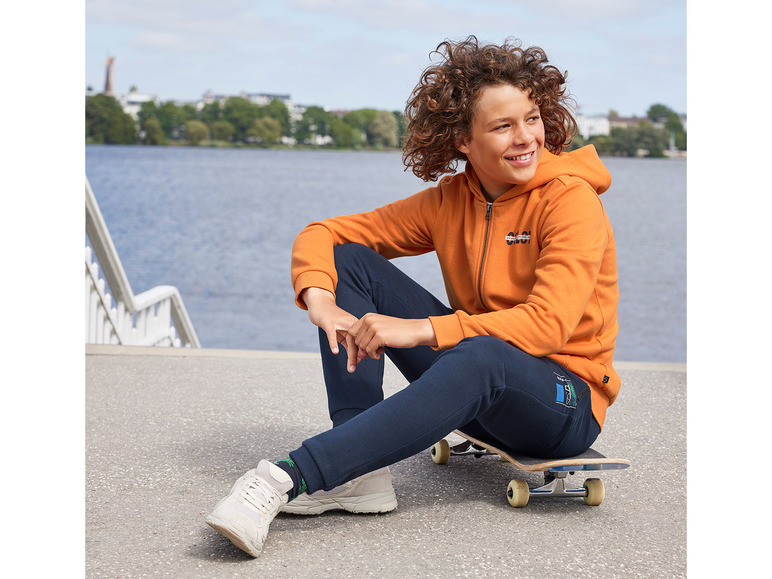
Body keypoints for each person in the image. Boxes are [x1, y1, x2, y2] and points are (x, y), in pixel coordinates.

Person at [206, 35, 620, 558]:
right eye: (502, 126)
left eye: (532, 118)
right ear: (462, 139)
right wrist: (319, 298)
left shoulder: (570, 201)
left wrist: (421, 330)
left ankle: (287, 476)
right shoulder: (451, 202)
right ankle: (359, 475)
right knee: (350, 260)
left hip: (562, 402)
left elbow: (547, 325)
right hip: (474, 380)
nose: (526, 138)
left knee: (483, 355)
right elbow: (325, 233)